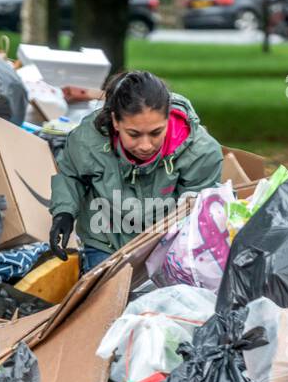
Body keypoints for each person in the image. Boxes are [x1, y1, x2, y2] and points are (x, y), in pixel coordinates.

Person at [49, 70, 224, 270]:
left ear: (168, 118)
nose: (145, 146)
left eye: (156, 132)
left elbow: (199, 208)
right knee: (106, 300)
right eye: (133, 134)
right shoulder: (88, 140)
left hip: (167, 248)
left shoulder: (200, 150)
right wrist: (64, 213)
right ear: (115, 121)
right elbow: (71, 176)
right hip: (105, 242)